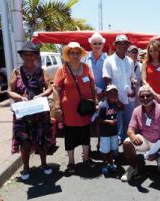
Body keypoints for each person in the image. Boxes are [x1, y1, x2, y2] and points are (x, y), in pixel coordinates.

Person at [8, 42, 53, 180]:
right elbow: (10, 91)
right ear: (22, 56)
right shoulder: (16, 72)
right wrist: (20, 97)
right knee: (24, 142)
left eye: (31, 53)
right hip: (22, 113)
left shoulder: (42, 71)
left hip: (39, 112)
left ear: (36, 56)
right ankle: (26, 167)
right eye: (25, 54)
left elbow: (50, 88)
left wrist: (41, 95)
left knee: (42, 140)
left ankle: (44, 165)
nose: (28, 56)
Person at [53, 42, 98, 174]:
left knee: (85, 133)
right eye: (72, 53)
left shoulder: (86, 67)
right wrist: (57, 106)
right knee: (70, 135)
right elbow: (56, 89)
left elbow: (93, 87)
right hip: (70, 110)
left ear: (80, 54)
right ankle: (71, 162)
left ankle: (86, 158)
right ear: (68, 54)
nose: (75, 55)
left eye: (77, 53)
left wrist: (95, 103)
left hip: (85, 109)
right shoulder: (62, 69)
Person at [121, 85, 160, 182]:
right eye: (142, 96)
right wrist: (132, 136)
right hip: (145, 140)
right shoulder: (137, 111)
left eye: (148, 95)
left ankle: (159, 160)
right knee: (127, 143)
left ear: (152, 96)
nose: (145, 98)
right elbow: (130, 130)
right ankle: (133, 168)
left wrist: (158, 152)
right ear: (139, 98)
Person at [102, 34, 135, 142]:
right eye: (119, 43)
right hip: (115, 100)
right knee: (116, 127)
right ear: (115, 45)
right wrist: (116, 101)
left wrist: (133, 89)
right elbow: (107, 81)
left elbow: (131, 78)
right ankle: (115, 153)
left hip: (129, 99)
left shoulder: (130, 61)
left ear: (127, 46)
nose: (122, 45)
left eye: (125, 43)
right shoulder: (109, 60)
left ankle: (128, 151)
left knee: (129, 126)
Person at [142, 40, 160, 110]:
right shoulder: (145, 63)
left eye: (155, 50)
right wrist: (155, 95)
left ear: (159, 50)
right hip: (149, 96)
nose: (153, 53)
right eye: (150, 51)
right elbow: (143, 81)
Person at [98, 85, 119, 175]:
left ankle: (111, 163)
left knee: (111, 149)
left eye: (115, 94)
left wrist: (114, 121)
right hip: (105, 133)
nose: (113, 95)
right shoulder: (103, 106)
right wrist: (109, 122)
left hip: (113, 132)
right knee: (105, 150)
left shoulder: (115, 104)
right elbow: (99, 119)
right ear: (106, 94)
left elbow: (116, 114)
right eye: (111, 93)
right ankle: (104, 165)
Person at [82, 32, 107, 99]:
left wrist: (102, 91)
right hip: (88, 93)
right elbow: (82, 75)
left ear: (103, 45)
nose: (97, 46)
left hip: (103, 94)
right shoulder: (84, 58)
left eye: (100, 43)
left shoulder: (107, 59)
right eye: (95, 43)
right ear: (91, 45)